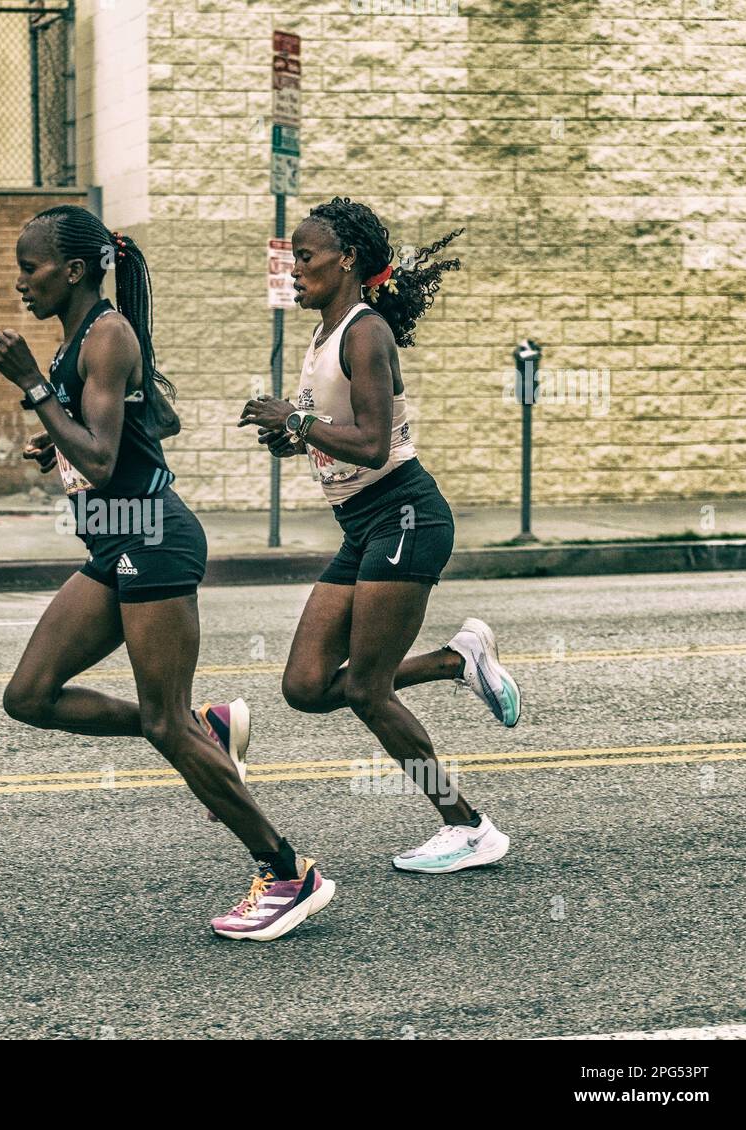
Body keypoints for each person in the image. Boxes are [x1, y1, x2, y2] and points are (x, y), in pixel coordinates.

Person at [0, 204, 334, 938]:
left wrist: (39, 393)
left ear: (72, 270)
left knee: (162, 725)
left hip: (151, 535)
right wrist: (60, 435)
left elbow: (106, 459)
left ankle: (286, 872)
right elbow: (151, 425)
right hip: (115, 542)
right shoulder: (81, 338)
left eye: (29, 267)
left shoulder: (107, 334)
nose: (20, 282)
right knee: (31, 695)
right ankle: (202, 725)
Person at [239, 196, 521, 875]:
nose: (295, 268)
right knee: (306, 686)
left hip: (403, 515)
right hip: (363, 525)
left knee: (367, 690)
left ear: (347, 261)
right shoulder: (324, 335)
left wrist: (298, 423)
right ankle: (456, 662)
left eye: (305, 257)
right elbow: (337, 433)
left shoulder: (364, 332)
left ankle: (469, 827)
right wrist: (291, 433)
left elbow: (369, 445)